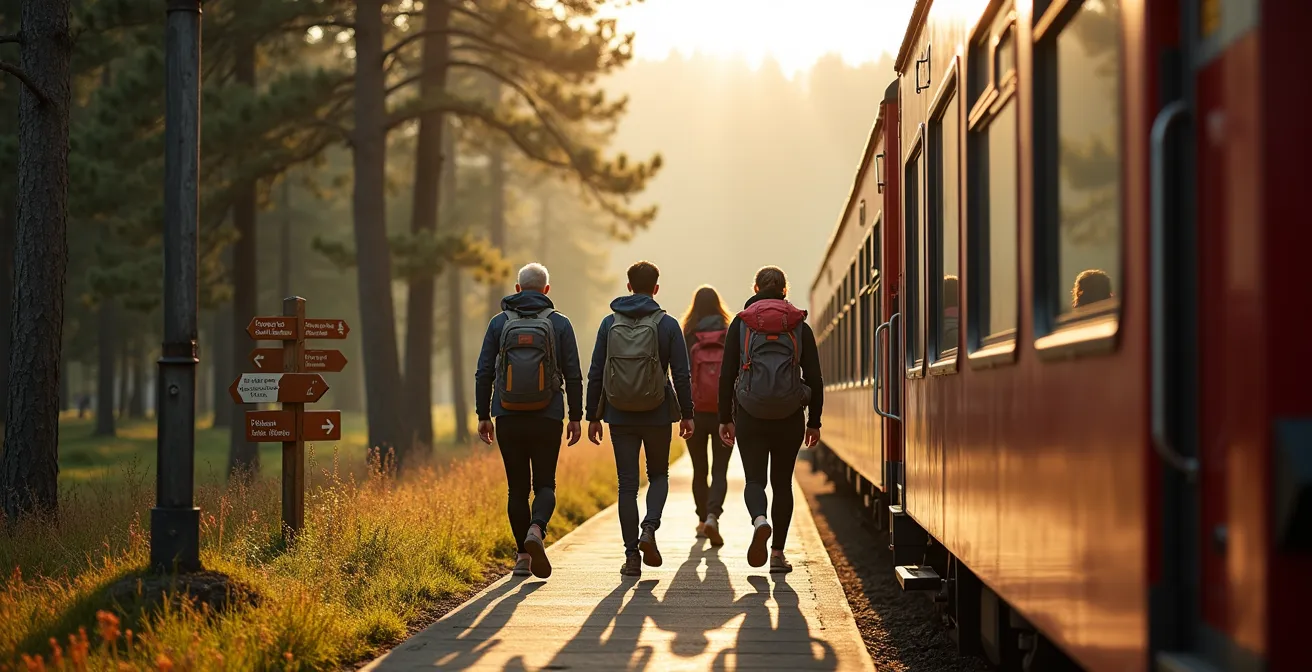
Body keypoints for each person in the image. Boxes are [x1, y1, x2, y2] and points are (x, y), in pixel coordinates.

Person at [475, 263, 584, 580]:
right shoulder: (559, 323)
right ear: (547, 290)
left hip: (507, 414)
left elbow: (484, 372)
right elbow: (573, 374)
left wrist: (484, 414)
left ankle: (522, 558)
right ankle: (536, 529)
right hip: (548, 414)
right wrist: (575, 416)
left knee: (517, 489)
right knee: (546, 483)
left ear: (518, 288)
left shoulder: (499, 323)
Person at [587, 261, 695, 577]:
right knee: (658, 475)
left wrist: (592, 415)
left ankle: (631, 557)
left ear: (629, 286)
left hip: (619, 413)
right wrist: (687, 414)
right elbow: (683, 374)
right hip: (658, 411)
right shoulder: (668, 324)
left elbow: (596, 372)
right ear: (656, 289)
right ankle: (649, 527)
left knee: (627, 485)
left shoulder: (609, 324)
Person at [718, 266, 823, 573]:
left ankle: (760, 520)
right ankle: (777, 555)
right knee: (782, 484)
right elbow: (814, 376)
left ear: (755, 288)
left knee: (754, 480)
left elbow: (727, 375)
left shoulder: (741, 323)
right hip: (790, 416)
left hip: (750, 414)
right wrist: (814, 421)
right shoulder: (798, 324)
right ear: (784, 291)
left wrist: (725, 418)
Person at [680, 285, 733, 546]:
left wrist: (682, 410)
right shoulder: (730, 331)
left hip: (695, 412)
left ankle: (702, 521)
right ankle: (713, 515)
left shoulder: (688, 333)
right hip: (725, 413)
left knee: (699, 469)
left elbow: (679, 374)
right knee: (720, 470)